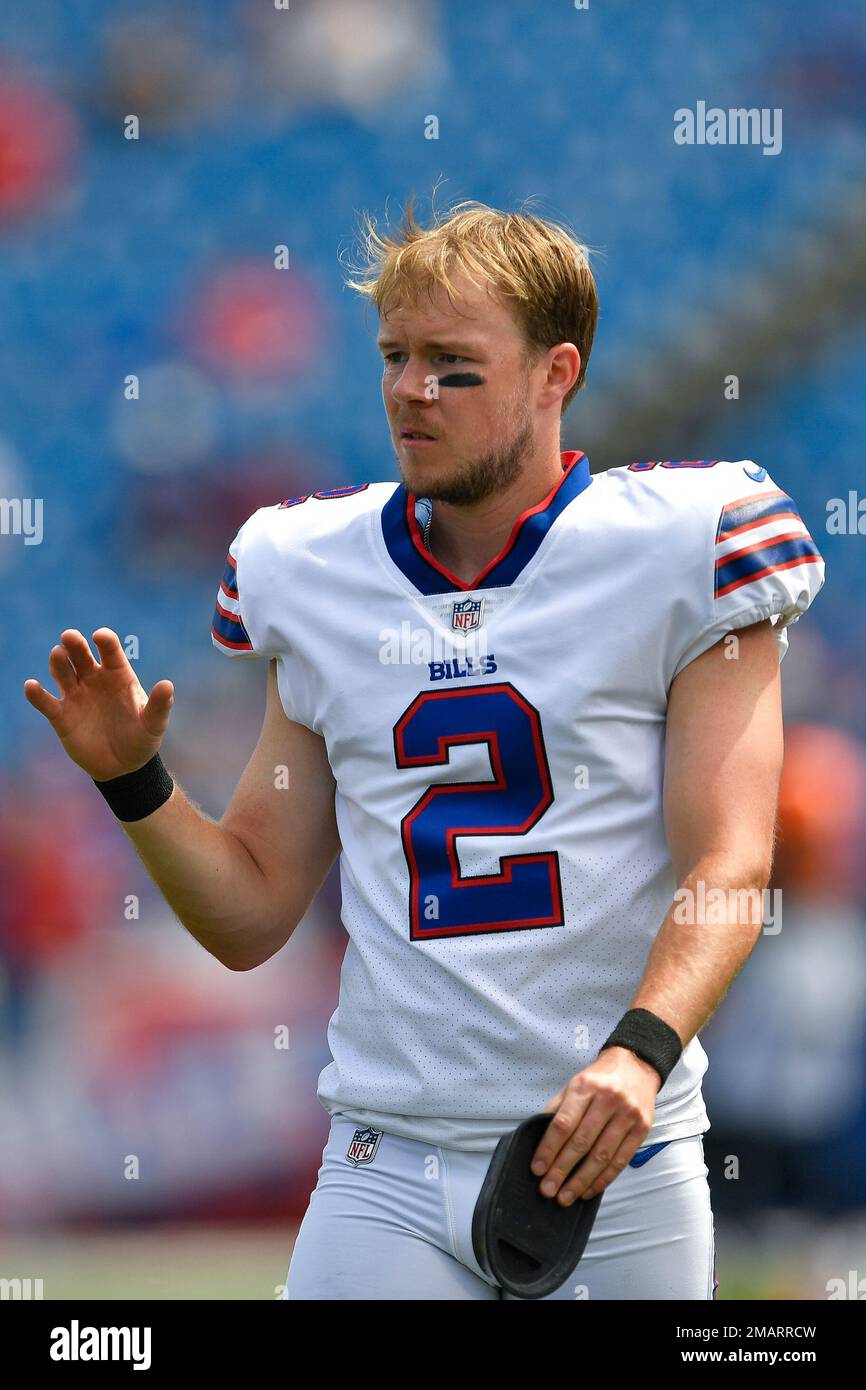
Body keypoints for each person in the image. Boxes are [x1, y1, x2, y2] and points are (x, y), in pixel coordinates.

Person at [24, 200, 825, 1299]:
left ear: (555, 375)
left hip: (612, 1159)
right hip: (385, 1164)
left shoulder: (683, 543)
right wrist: (132, 778)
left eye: (452, 363)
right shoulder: (308, 568)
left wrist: (637, 1051)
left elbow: (727, 865)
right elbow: (252, 909)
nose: (410, 389)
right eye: (396, 356)